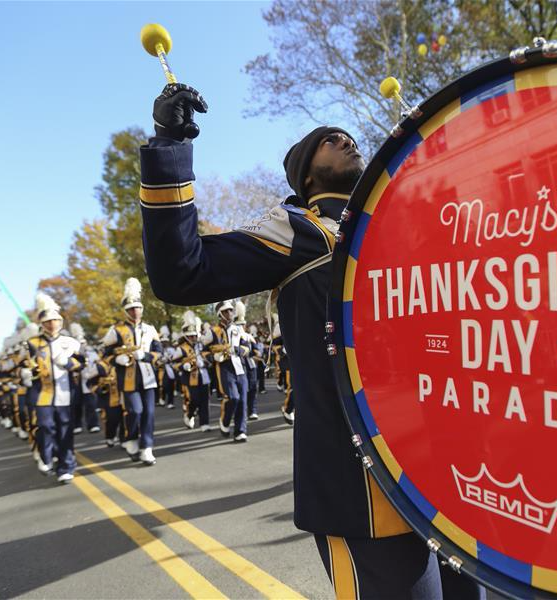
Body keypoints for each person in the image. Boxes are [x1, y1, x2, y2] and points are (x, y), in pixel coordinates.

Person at [138, 83, 484, 599]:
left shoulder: (401, 226)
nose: (346, 140)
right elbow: (182, 273)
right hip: (362, 486)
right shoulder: (300, 229)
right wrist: (169, 148)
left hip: (446, 473)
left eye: (348, 137)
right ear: (305, 173)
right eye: (330, 139)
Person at [102, 277, 163, 466]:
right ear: (125, 311)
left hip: (148, 377)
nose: (135, 311)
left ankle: (147, 448)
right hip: (128, 379)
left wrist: (144, 356)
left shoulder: (150, 329)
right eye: (130, 309)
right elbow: (105, 354)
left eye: (137, 308)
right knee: (135, 411)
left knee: (149, 413)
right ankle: (131, 439)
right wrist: (117, 359)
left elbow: (158, 352)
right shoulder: (116, 330)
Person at [23, 293, 83, 484]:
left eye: (55, 320)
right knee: (46, 427)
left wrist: (67, 363)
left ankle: (66, 466)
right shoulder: (33, 343)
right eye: (48, 321)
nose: (52, 324)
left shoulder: (70, 342)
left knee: (66, 429)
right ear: (42, 322)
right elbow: (26, 365)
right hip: (43, 394)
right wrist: (28, 372)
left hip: (66, 393)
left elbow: (82, 363)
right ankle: (49, 456)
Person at [204, 301, 248, 441]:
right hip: (224, 367)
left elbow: (247, 347)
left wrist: (238, 350)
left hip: (240, 366)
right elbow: (203, 351)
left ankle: (240, 431)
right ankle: (225, 420)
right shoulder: (212, 331)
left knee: (242, 400)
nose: (229, 313)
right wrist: (213, 357)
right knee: (233, 397)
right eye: (226, 311)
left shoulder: (238, 329)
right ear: (220, 314)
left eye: (230, 311)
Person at [172, 310, 213, 431]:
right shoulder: (182, 349)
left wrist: (207, 361)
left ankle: (204, 423)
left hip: (204, 376)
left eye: (194, 335)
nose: (193, 337)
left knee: (205, 401)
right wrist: (183, 366)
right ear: (186, 336)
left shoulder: (201, 345)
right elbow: (174, 363)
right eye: (190, 336)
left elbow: (209, 357)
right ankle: (189, 414)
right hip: (190, 379)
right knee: (194, 400)